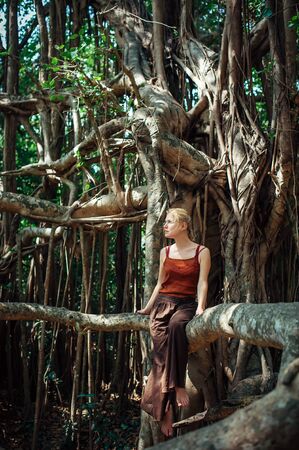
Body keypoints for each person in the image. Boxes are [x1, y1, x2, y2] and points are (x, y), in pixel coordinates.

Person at [138, 208, 211, 437]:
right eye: (165, 222)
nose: (165, 225)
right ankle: (166, 409)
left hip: (186, 305)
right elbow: (160, 284)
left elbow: (202, 282)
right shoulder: (165, 252)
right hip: (163, 305)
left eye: (170, 221)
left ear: (184, 225)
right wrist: (148, 308)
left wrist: (200, 306)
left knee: (177, 326)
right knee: (159, 359)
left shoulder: (202, 251)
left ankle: (178, 385)